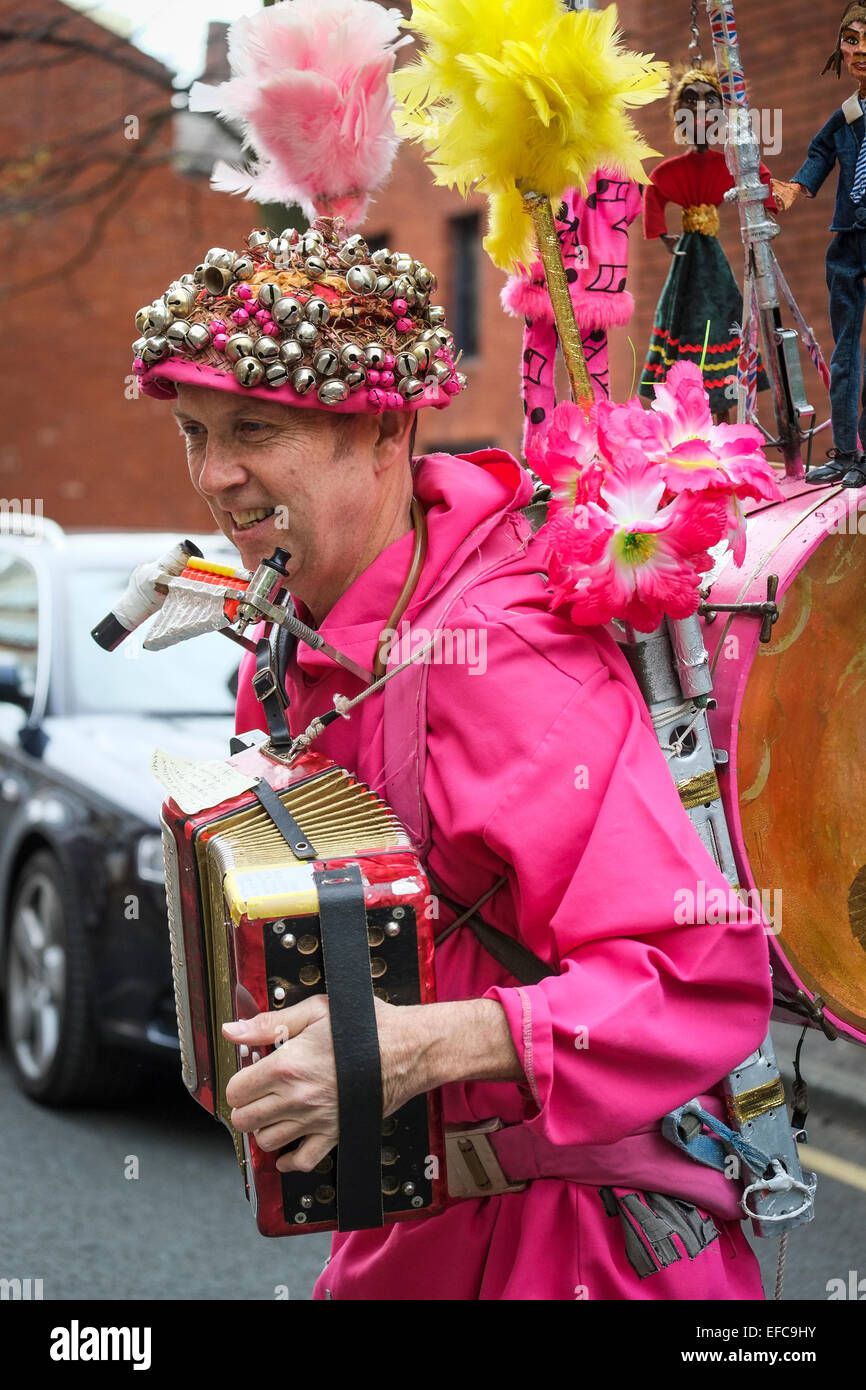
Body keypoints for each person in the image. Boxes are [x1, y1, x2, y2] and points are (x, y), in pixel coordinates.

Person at [132, 208, 773, 1301]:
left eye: (254, 427)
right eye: (195, 430)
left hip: (576, 1250)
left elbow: (696, 980)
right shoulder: (292, 638)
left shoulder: (499, 653)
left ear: (386, 433)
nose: (217, 475)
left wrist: (416, 1049)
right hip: (406, 1239)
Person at [640, 64, 776, 421]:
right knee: (686, 321)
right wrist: (661, 235)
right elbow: (654, 193)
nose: (700, 108)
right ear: (678, 113)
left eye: (709, 100)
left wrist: (771, 204)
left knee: (721, 318)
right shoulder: (669, 172)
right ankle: (690, 416)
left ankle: (724, 416)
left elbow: (760, 177)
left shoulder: (727, 163)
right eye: (691, 100)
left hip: (709, 260)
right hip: (688, 259)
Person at [773, 3, 866, 488]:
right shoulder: (848, 114)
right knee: (846, 349)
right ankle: (849, 453)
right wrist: (795, 188)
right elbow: (820, 154)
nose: (860, 51)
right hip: (849, 238)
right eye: (851, 40)